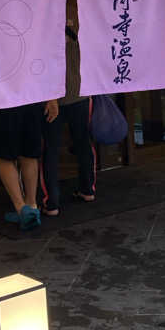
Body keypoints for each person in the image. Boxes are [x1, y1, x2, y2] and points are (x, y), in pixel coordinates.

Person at [40, 21, 95, 215]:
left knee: (50, 150)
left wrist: (50, 97)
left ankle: (51, 203)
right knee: (83, 143)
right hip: (81, 94)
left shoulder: (43, 29)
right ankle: (87, 190)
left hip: (52, 99)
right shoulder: (80, 26)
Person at [0, 99, 58, 229]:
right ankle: (32, 206)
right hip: (32, 101)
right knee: (29, 155)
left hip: (3, 102)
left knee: (3, 158)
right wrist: (52, 99)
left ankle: (21, 209)